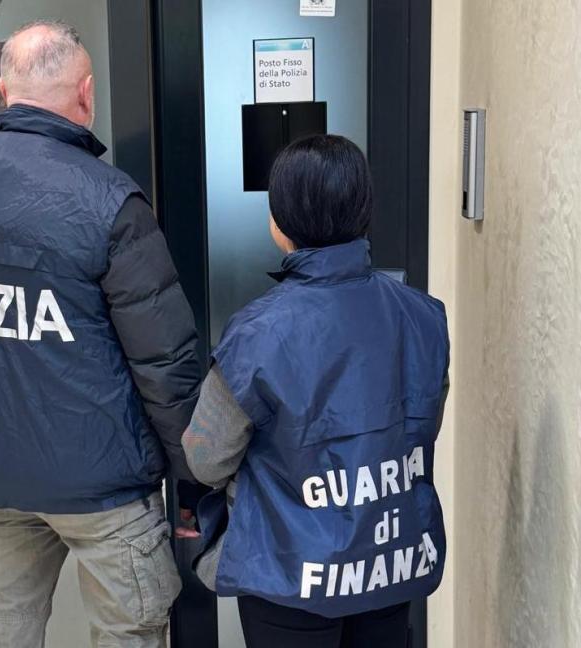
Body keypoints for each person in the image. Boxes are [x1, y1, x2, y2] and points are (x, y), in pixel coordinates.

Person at [0, 20, 205, 648]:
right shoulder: (109, 201)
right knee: (127, 633)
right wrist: (195, 477)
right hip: (104, 482)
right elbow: (165, 360)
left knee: (5, 631)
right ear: (85, 92)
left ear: (3, 92)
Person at [182, 135, 450, 648]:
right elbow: (423, 425)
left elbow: (205, 457)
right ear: (365, 210)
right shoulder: (424, 317)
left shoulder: (256, 335)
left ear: (279, 223)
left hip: (288, 574)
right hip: (389, 560)